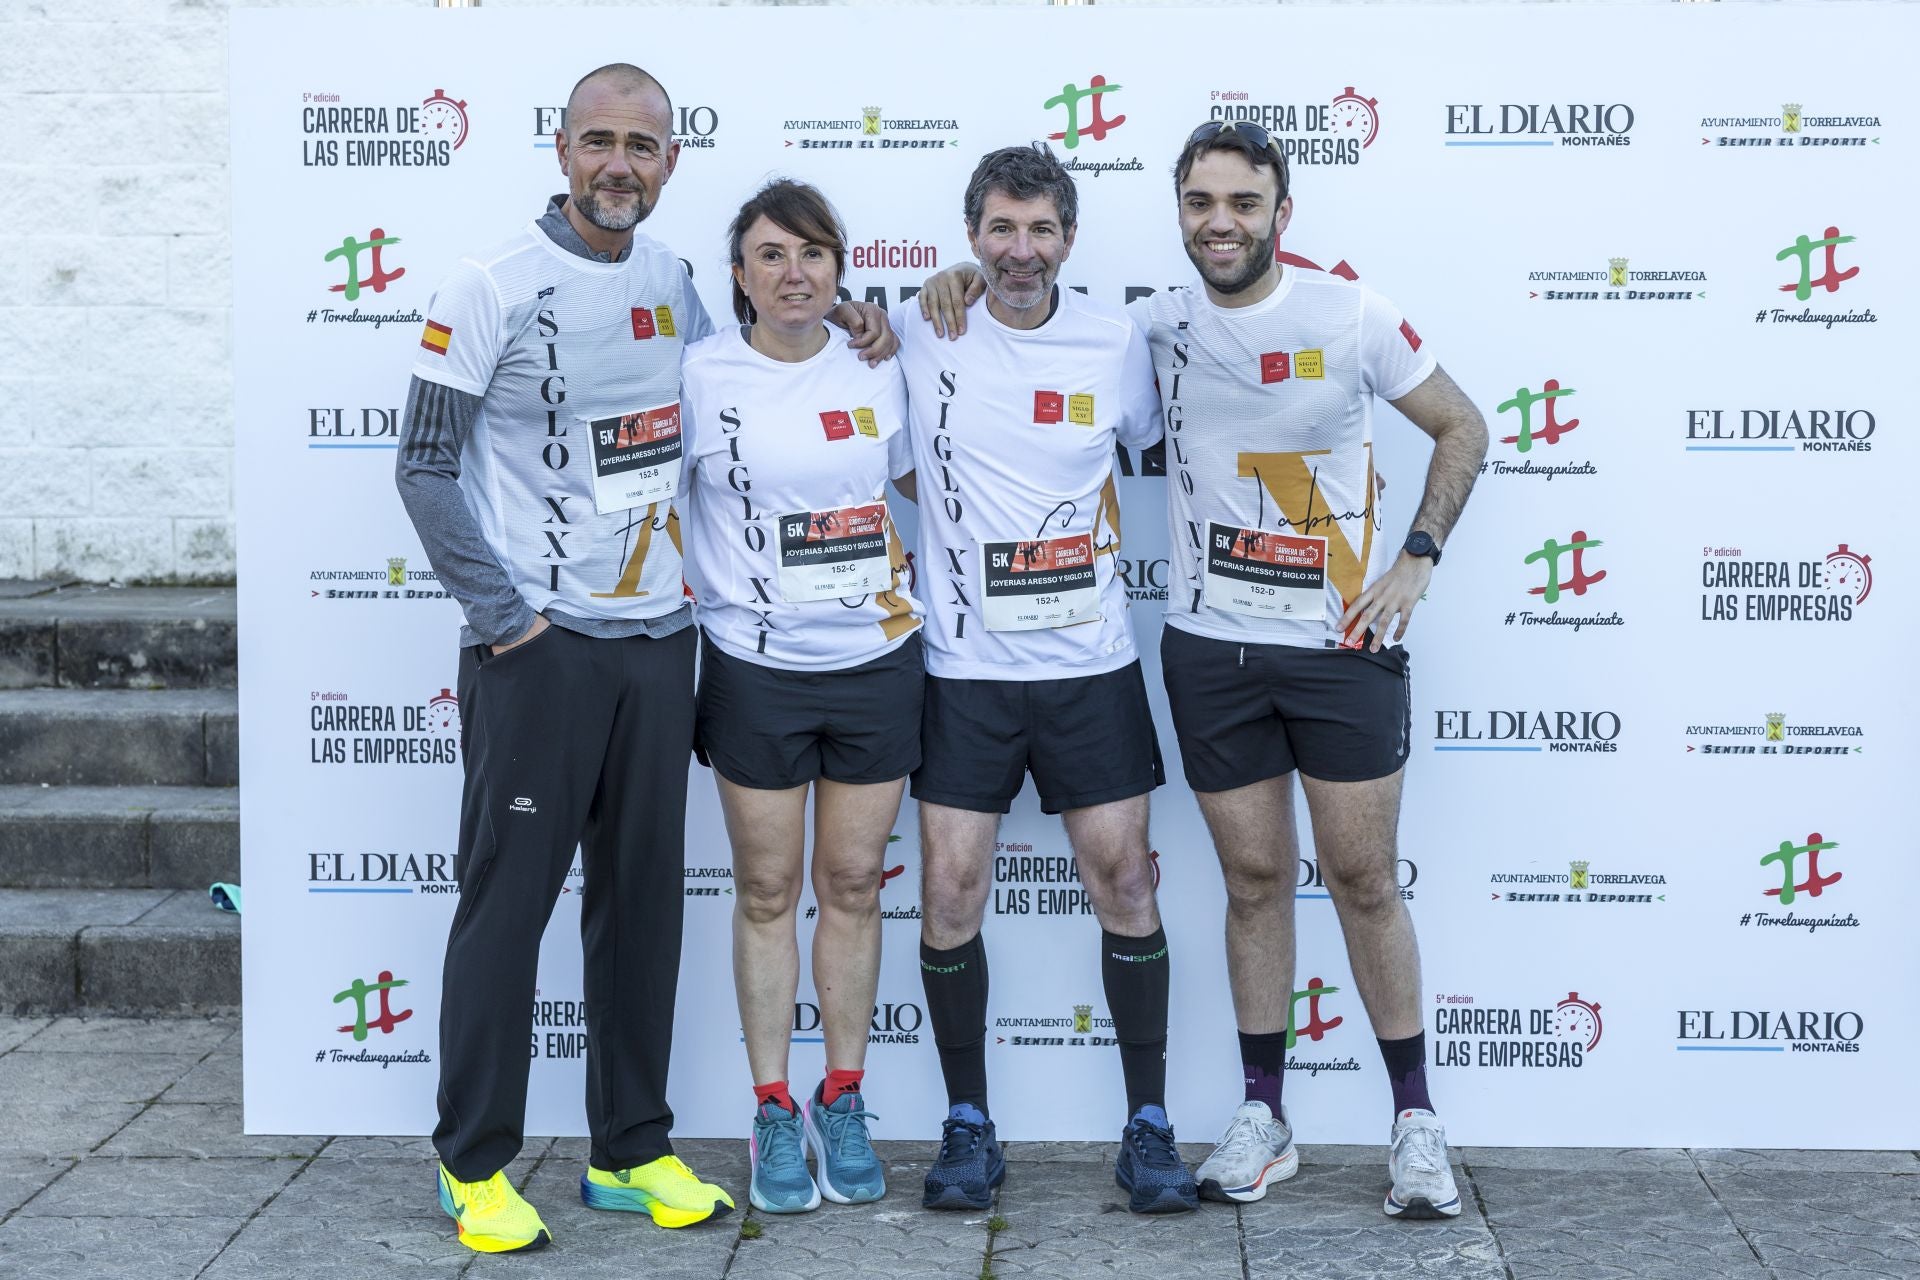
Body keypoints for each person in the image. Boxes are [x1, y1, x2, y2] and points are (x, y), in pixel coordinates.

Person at [917, 121, 1488, 1220]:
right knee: (1255, 882)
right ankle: (1263, 1113)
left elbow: (1462, 425)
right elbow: (1014, 312)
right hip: (1209, 647)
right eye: (1199, 204)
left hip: (1341, 648)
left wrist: (1415, 558)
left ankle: (1416, 1119)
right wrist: (952, 279)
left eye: (1242, 203)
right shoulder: (1149, 327)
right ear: (1177, 211)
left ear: (1283, 212)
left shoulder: (1350, 312)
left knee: (1366, 878)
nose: (1220, 223)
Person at [395, 63, 891, 1254]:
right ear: (562, 150)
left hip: (663, 643)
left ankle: (629, 1146)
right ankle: (474, 1163)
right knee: (507, 904)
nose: (621, 164)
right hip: (542, 651)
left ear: (672, 162)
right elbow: (421, 465)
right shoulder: (488, 285)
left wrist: (864, 317)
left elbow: (757, 386)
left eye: (645, 146)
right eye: (600, 142)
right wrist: (507, 618)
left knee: (642, 908)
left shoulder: (677, 281)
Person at [895, 144, 1199, 1216]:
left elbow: (1164, 446)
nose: (1020, 251)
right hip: (965, 670)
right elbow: (885, 451)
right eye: (1001, 230)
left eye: (1041, 230)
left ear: (1070, 238)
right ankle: (969, 1122)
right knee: (948, 892)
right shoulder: (922, 332)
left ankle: (1149, 1125)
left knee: (1127, 883)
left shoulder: (1114, 340)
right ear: (971, 235)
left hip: (1090, 664)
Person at [679, 179, 922, 1215]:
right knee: (770, 889)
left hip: (874, 662)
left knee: (857, 883)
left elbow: (919, 489)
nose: (794, 273)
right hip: (754, 666)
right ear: (738, 274)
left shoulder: (881, 364)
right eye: (771, 255)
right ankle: (773, 1104)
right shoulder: (697, 373)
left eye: (814, 254)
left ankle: (844, 1093)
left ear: (840, 269)